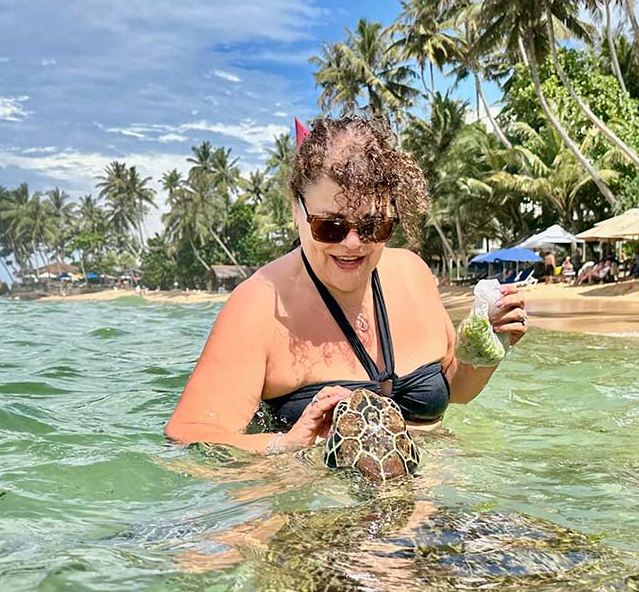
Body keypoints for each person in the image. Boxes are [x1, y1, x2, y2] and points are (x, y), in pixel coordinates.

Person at [165, 115, 529, 454]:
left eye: (373, 226)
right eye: (331, 226)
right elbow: (190, 435)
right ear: (297, 212)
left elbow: (455, 391)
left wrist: (485, 347)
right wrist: (285, 445)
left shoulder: (413, 274)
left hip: (436, 493)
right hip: (326, 509)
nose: (353, 243)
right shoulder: (260, 304)